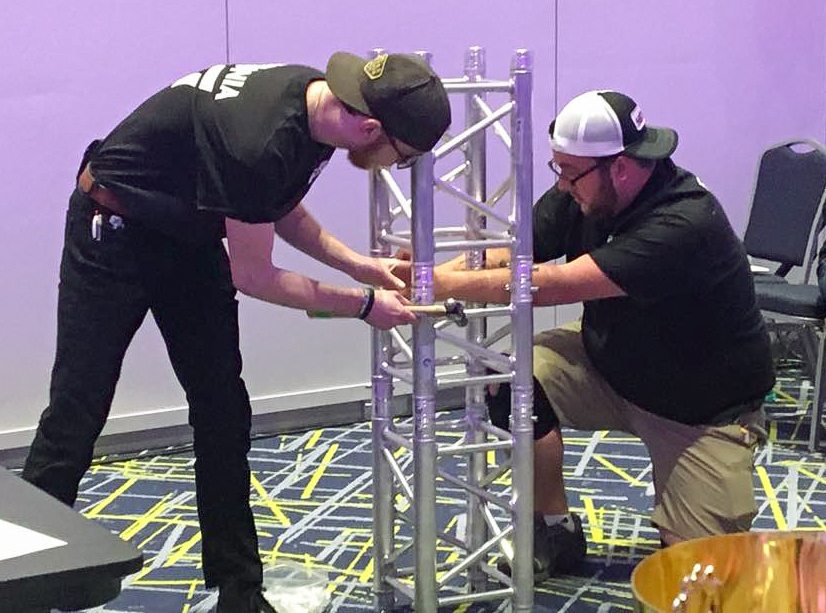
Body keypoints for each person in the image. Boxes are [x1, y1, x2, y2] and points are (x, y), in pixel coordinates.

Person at [22, 52, 450, 612]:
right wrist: (364, 304)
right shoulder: (259, 142)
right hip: (114, 230)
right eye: (402, 157)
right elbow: (257, 278)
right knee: (77, 411)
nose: (394, 165)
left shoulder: (316, 100)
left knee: (223, 410)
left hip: (189, 236)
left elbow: (279, 207)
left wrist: (357, 265)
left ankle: (239, 592)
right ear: (371, 129)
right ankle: (22, 583)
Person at [404, 90, 775, 582]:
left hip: (702, 415)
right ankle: (555, 528)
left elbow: (551, 284)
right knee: (510, 377)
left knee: (702, 582)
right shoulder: (585, 192)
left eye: (569, 172)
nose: (561, 184)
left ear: (619, 167)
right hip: (610, 367)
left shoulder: (684, 222)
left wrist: (436, 283)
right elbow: (516, 252)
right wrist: (430, 272)